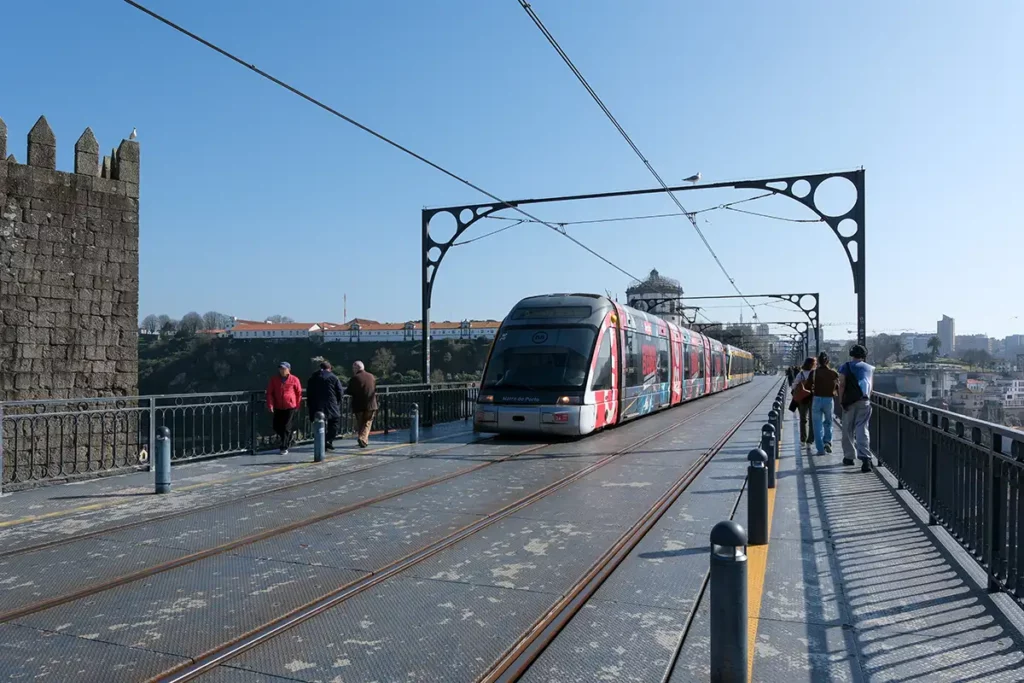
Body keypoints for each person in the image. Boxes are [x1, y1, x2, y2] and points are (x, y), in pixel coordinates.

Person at [837, 344, 875, 472]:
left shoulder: (845, 367)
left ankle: (849, 457)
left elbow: (841, 385)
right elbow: (871, 387)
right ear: (864, 355)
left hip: (849, 402)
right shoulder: (869, 368)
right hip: (864, 402)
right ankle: (866, 459)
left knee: (847, 429)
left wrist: (841, 400)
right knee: (862, 428)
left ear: (851, 354)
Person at [306, 360, 345, 451]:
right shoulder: (333, 377)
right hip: (330, 404)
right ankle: (328, 440)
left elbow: (309, 392)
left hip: (316, 405)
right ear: (329, 368)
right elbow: (340, 391)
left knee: (318, 424)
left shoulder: (313, 378)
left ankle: (320, 441)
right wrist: (338, 401)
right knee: (334, 423)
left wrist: (310, 404)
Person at [266, 361, 302, 455]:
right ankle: (289, 436)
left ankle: (284, 447)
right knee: (276, 426)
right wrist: (270, 405)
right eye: (280, 368)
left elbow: (299, 393)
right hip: (278, 406)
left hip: (290, 406)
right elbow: (269, 393)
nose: (282, 370)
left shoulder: (294, 379)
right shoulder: (274, 379)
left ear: (288, 369)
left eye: (284, 368)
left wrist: (297, 405)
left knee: (286, 427)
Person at [807, 352, 839, 456]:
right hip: (829, 400)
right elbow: (837, 387)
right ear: (828, 361)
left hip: (816, 399)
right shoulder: (833, 373)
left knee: (817, 424)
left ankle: (820, 449)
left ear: (818, 362)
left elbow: (807, 386)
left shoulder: (814, 373)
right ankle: (827, 442)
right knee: (829, 421)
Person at [345, 360, 378, 448]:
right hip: (371, 404)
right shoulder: (371, 376)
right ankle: (363, 440)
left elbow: (349, 391)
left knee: (361, 423)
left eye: (353, 368)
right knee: (367, 422)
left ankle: (362, 439)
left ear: (356, 368)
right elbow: (374, 389)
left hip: (359, 405)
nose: (353, 370)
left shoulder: (355, 378)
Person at [791, 357, 816, 445]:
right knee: (812, 419)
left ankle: (803, 439)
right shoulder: (815, 374)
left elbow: (794, 386)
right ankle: (811, 439)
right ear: (813, 365)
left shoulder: (800, 374)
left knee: (803, 419)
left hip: (803, 399)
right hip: (813, 398)